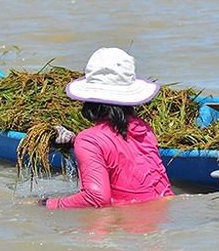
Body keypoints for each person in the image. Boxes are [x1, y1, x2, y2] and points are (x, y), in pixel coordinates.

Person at [40, 47, 173, 209]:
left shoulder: (88, 140)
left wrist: (49, 204)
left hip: (126, 226)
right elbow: (119, 155)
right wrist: (74, 143)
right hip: (162, 219)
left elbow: (96, 197)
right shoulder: (144, 129)